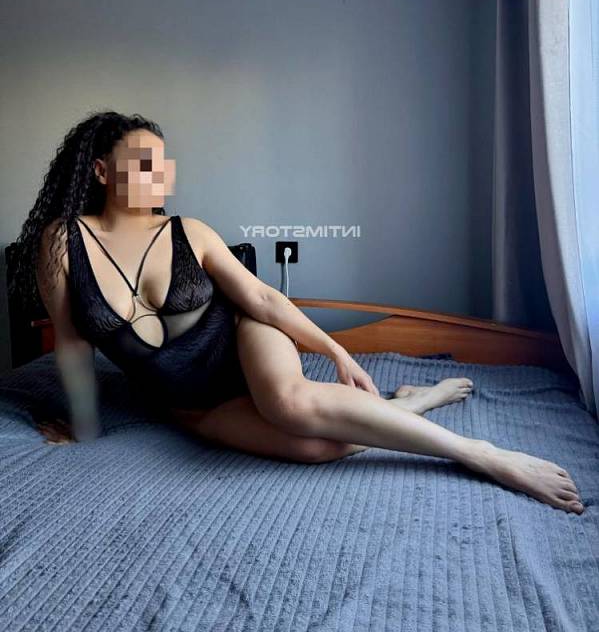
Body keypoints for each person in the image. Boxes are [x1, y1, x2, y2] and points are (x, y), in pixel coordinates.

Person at [13, 110, 584, 515]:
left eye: (165, 164)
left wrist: (336, 351)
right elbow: (72, 343)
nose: (161, 175)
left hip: (244, 337)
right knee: (319, 447)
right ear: (101, 171)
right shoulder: (61, 243)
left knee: (289, 402)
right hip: (193, 406)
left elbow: (264, 300)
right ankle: (412, 402)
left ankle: (479, 454)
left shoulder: (190, 232)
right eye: (144, 163)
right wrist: (84, 429)